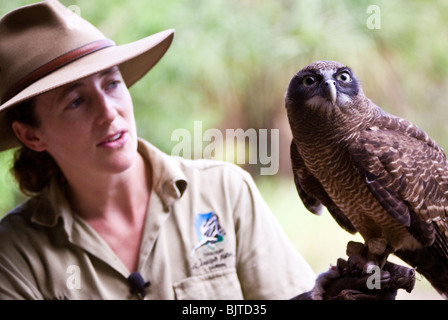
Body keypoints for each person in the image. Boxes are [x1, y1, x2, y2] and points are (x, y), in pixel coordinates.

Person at [0, 0, 317, 299]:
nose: (109, 112)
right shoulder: (15, 255)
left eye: (111, 83)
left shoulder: (224, 193)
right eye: (76, 102)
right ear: (30, 135)